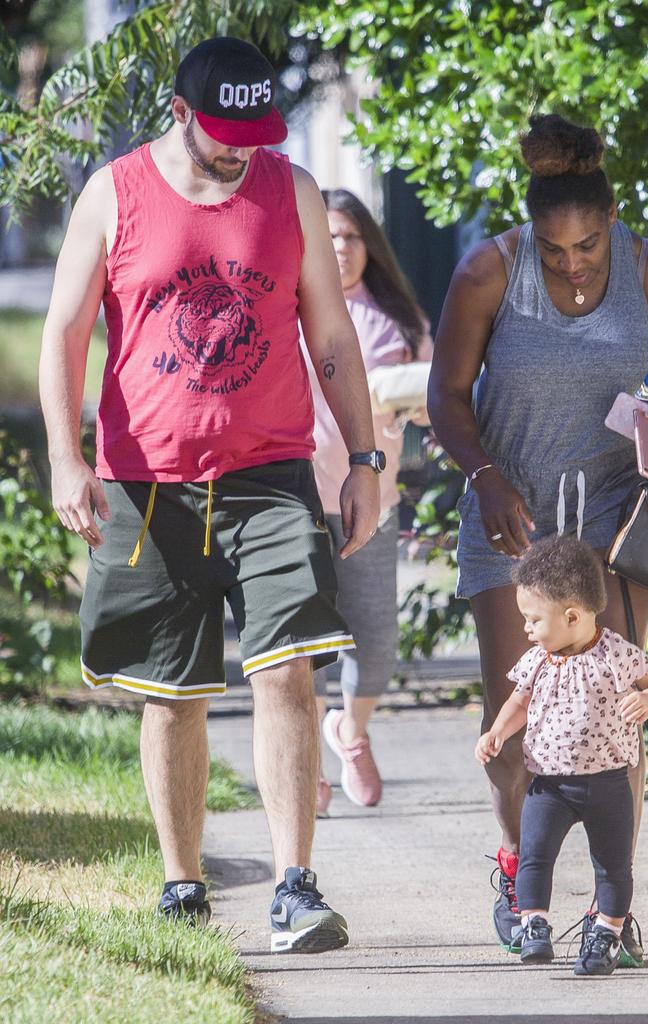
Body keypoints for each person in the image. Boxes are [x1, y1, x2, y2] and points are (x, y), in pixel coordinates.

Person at [38, 37, 388, 955]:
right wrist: (63, 458)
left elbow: (334, 338)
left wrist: (363, 460)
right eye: (223, 133)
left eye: (252, 134)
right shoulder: (114, 193)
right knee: (172, 691)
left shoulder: (291, 191)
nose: (239, 151)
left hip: (269, 474)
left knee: (291, 666)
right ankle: (181, 883)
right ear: (182, 113)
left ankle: (295, 886)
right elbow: (65, 331)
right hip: (146, 482)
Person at [427, 112, 648, 963]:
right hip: (511, 517)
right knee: (518, 722)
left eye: (588, 245)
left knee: (613, 718)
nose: (574, 263)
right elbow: (447, 394)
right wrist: (482, 475)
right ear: (532, 236)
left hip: (613, 520)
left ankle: (610, 913)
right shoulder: (489, 272)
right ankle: (522, 880)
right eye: (556, 251)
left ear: (612, 222)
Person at [475, 536, 648, 976]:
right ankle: (534, 926)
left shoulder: (616, 654)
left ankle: (606, 931)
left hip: (608, 783)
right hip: (548, 785)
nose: (526, 628)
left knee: (614, 865)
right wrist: (497, 731)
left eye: (533, 619)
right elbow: (518, 703)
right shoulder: (538, 660)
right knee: (535, 856)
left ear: (571, 616)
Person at [304, 188, 432, 812]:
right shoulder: (289, 306)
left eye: (351, 236)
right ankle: (306, 765)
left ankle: (350, 732)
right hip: (296, 497)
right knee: (305, 645)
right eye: (328, 236)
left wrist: (410, 400)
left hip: (371, 498)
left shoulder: (400, 321)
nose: (341, 248)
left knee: (376, 643)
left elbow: (438, 401)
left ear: (368, 244)